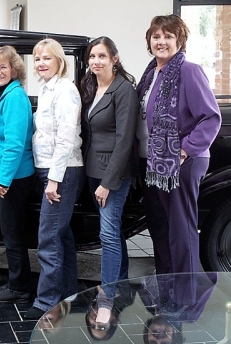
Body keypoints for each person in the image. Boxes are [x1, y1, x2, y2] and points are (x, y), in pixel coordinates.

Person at [136, 14, 221, 306]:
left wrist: (184, 150)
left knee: (181, 229)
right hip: (158, 166)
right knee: (162, 227)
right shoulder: (151, 74)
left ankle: (187, 298)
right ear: (149, 40)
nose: (161, 41)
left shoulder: (190, 71)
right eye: (156, 36)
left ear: (179, 40)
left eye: (168, 36)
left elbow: (211, 117)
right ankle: (167, 288)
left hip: (183, 164)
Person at [79, 36, 138, 325]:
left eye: (102, 56)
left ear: (114, 58)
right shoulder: (90, 87)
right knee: (112, 229)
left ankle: (107, 298)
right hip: (92, 170)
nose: (96, 61)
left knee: (107, 234)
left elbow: (125, 139)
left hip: (112, 174)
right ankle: (122, 283)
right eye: (92, 57)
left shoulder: (124, 90)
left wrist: (108, 183)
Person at [24, 38, 84, 320]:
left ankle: (47, 300)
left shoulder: (66, 90)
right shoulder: (47, 89)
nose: (41, 63)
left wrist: (54, 180)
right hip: (48, 168)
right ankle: (69, 291)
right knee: (63, 235)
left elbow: (65, 139)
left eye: (47, 58)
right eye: (37, 59)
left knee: (48, 237)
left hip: (62, 170)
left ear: (60, 61)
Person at [0, 46, 34, 303]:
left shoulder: (14, 97)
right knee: (10, 231)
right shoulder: (4, 94)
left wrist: (3, 180)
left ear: (14, 69)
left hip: (12, 178)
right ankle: (18, 280)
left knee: (12, 233)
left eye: (3, 66)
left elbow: (14, 143)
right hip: (5, 174)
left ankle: (19, 287)